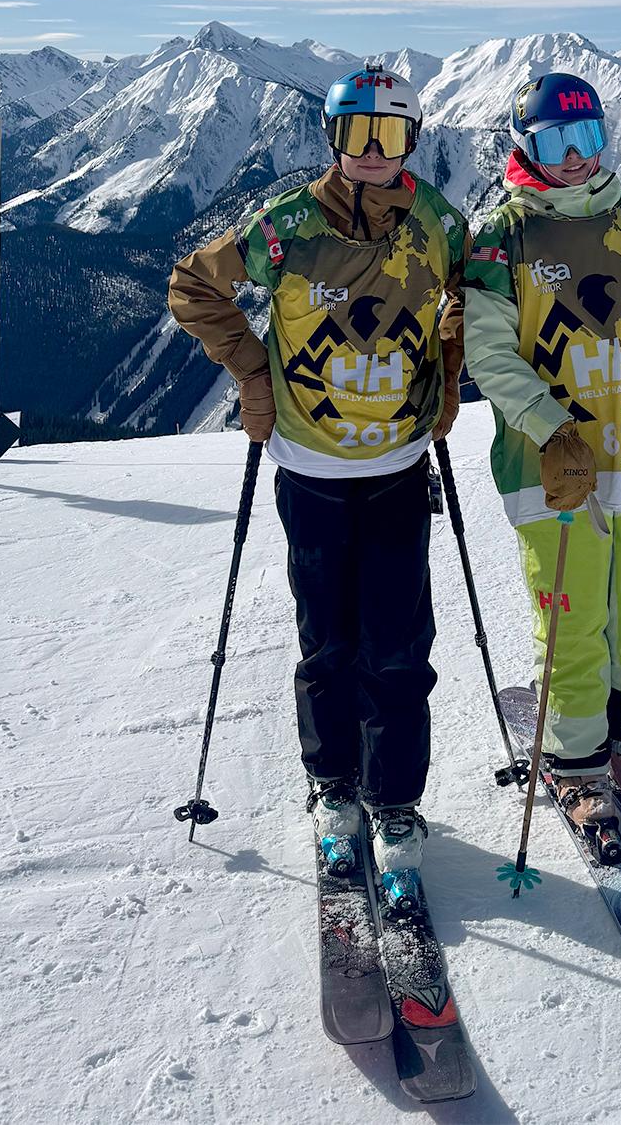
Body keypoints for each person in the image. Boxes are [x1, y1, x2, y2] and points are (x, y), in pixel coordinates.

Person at [167, 64, 465, 905]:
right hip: (310, 468)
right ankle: (334, 788)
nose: (374, 153)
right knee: (328, 642)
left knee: (399, 650)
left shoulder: (439, 224)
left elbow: (475, 294)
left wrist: (449, 363)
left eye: (392, 136)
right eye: (358, 135)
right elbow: (194, 286)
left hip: (400, 467)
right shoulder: (286, 225)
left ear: (411, 141)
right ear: (333, 139)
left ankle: (396, 803)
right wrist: (253, 374)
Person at [463, 72, 621, 852]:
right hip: (553, 468)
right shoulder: (501, 238)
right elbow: (490, 351)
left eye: (587, 139)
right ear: (524, 147)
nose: (574, 159)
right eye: (554, 143)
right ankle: (575, 766)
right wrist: (551, 432)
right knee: (573, 621)